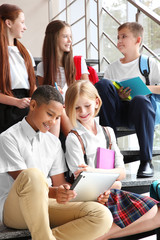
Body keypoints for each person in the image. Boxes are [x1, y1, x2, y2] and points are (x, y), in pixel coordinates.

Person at [0, 85, 113, 240]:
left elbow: (59, 183)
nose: (53, 122)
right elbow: (25, 183)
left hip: (46, 202)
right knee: (33, 175)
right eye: (50, 114)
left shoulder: (53, 142)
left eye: (58, 118)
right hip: (14, 209)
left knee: (102, 215)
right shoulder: (8, 138)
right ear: (33, 106)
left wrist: (75, 192)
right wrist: (55, 192)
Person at [65, 80, 160, 240]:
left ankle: (103, 236)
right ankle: (100, 235)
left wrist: (94, 171)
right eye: (77, 108)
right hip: (92, 197)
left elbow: (121, 173)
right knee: (150, 210)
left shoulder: (108, 132)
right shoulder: (74, 138)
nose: (83, 112)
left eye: (87, 106)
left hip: (110, 192)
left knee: (157, 213)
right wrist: (112, 180)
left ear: (96, 102)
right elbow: (82, 181)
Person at [95, 22, 160, 178]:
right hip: (116, 113)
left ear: (138, 40)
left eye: (124, 36)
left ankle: (146, 161)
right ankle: (112, 152)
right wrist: (120, 95)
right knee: (103, 84)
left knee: (139, 99)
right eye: (118, 37)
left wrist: (144, 88)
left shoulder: (149, 64)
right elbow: (107, 97)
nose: (119, 41)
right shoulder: (112, 68)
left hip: (142, 111)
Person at [36, 20, 89, 137]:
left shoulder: (78, 63)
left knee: (59, 111)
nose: (70, 41)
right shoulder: (42, 67)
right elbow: (43, 97)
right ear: (53, 39)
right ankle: (77, 141)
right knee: (57, 110)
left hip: (76, 108)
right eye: (65, 36)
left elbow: (87, 93)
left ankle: (76, 141)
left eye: (70, 37)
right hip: (56, 109)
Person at [0, 4, 36, 133]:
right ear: (8, 23)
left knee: (54, 112)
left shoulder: (24, 52)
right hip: (6, 106)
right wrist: (16, 102)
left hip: (25, 102)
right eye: (22, 22)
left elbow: (33, 87)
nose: (25, 27)